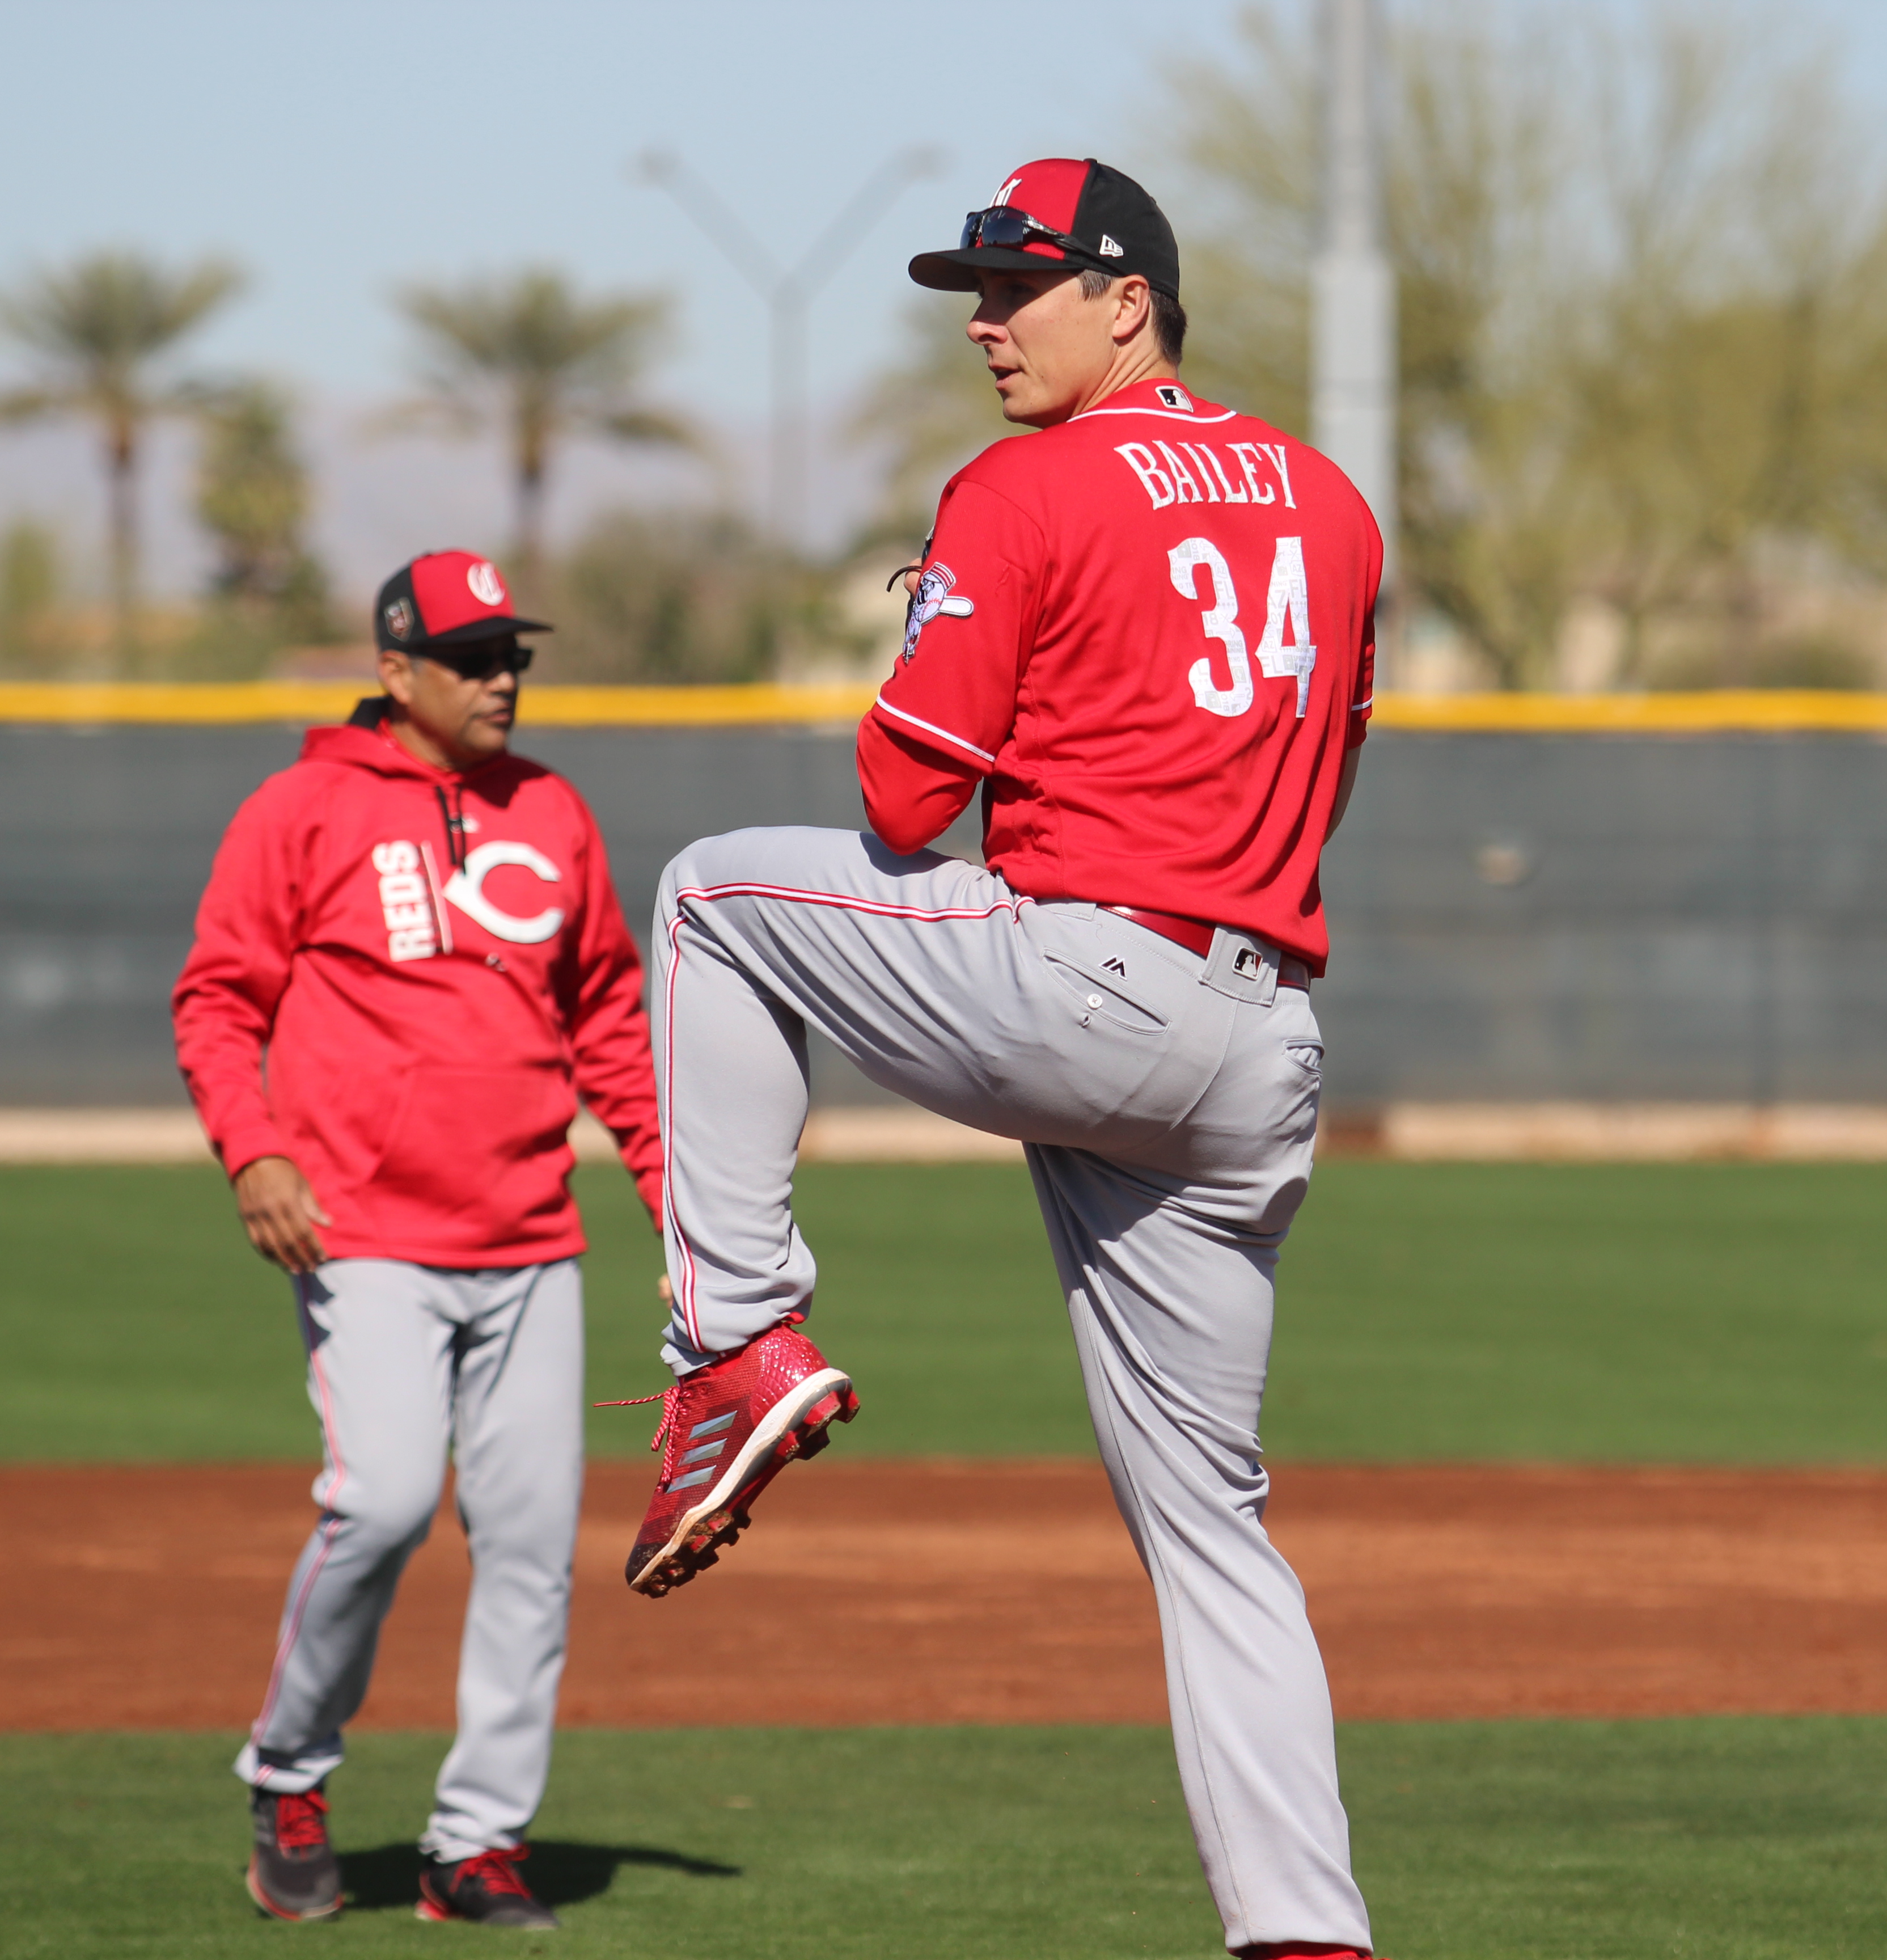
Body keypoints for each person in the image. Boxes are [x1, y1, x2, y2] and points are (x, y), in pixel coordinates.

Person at [621, 158, 1385, 1959]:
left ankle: (732, 1344)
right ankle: (1308, 1937)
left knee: (712, 895)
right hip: (1262, 1047)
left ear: (1133, 300)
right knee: (1216, 1531)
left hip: (1088, 984)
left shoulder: (1029, 484)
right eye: (974, 284)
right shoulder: (1336, 502)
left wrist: (941, 620)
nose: (983, 318)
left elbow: (903, 797)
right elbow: (1328, 765)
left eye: (1019, 284)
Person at [172, 551, 665, 1931]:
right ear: (398, 672)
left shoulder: (554, 811)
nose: (503, 676)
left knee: (527, 1547)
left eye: (514, 651)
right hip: (364, 1227)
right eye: (473, 655)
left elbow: (610, 1018)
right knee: (379, 1503)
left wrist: (673, 1180)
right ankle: (289, 1770)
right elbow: (215, 998)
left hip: (527, 1237)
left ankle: (479, 1843)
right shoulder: (302, 808)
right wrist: (254, 1150)